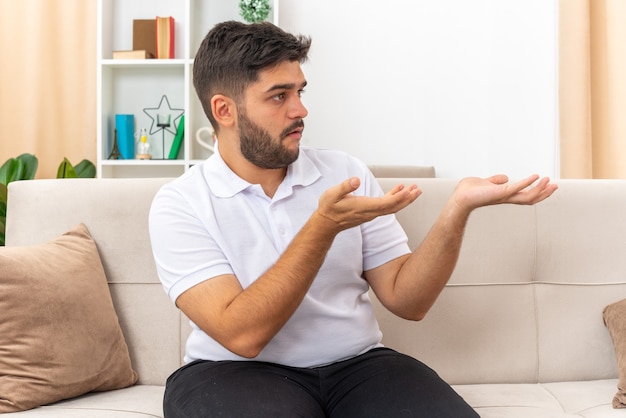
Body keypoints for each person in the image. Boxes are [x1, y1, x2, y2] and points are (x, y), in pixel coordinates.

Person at [148, 20, 558, 418]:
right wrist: (323, 227)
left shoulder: (344, 172)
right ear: (225, 110)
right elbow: (243, 335)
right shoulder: (181, 204)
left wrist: (457, 209)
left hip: (357, 365)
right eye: (279, 96)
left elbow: (407, 300)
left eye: (300, 91)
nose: (300, 109)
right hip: (231, 372)